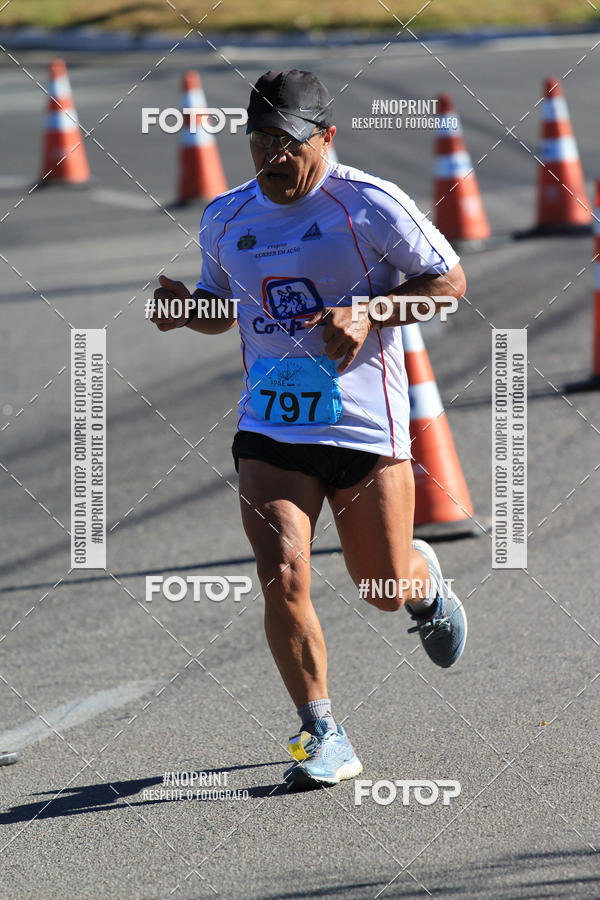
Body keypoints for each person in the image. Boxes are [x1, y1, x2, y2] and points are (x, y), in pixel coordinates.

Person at [151, 69, 468, 789]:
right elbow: (220, 306)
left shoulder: (371, 205)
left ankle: (421, 586)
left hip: (361, 424)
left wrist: (369, 311)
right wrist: (184, 311)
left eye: (288, 143)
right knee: (281, 572)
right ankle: (321, 729)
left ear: (326, 136)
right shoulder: (226, 218)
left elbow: (449, 283)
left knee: (380, 585)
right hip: (271, 426)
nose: (273, 158)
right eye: (260, 142)